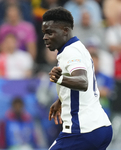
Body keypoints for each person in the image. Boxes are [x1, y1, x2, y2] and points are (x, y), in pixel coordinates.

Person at [41, 7, 112, 150]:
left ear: (65, 30)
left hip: (82, 131)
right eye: (44, 33)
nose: (45, 37)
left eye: (50, 32)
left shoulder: (70, 52)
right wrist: (61, 99)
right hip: (101, 127)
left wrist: (60, 79)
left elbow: (82, 82)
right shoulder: (77, 47)